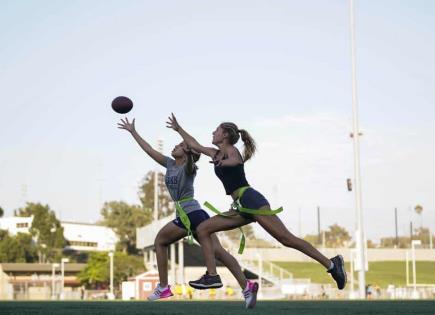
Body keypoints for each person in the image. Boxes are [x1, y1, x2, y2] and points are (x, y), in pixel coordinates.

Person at [166, 114, 347, 291]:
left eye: (217, 130)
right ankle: (212, 276)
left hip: (251, 199)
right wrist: (178, 129)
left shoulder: (230, 151)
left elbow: (237, 160)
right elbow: (194, 144)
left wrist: (224, 163)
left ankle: (332, 264)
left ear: (225, 135)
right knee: (203, 228)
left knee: (286, 239)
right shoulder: (215, 153)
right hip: (240, 206)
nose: (213, 132)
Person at [118, 117, 258, 308]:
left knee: (160, 241)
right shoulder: (170, 164)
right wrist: (133, 132)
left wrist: (190, 149)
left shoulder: (188, 166)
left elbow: (193, 155)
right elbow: (150, 150)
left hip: (190, 214)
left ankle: (164, 287)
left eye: (180, 146)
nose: (175, 146)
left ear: (187, 153)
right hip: (195, 214)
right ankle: (247, 286)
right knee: (219, 253)